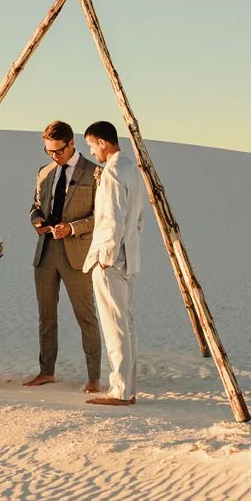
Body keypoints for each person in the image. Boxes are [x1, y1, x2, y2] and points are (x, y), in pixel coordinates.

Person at [25, 120, 103, 392]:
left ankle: (94, 376)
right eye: (49, 151)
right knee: (46, 316)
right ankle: (46, 371)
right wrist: (37, 221)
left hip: (77, 254)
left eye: (58, 151)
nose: (54, 156)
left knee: (86, 316)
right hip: (46, 253)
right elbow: (35, 206)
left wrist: (71, 228)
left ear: (72, 144)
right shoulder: (44, 171)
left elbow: (101, 217)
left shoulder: (95, 173)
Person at [83, 120, 146, 406]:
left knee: (114, 325)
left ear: (103, 143)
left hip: (111, 260)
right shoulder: (132, 170)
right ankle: (127, 388)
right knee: (126, 323)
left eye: (92, 145)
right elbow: (138, 218)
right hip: (129, 257)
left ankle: (119, 390)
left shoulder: (112, 172)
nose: (92, 152)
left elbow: (112, 217)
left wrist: (107, 256)